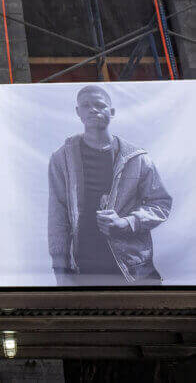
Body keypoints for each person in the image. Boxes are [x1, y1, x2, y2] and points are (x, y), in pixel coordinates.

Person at [47, 85, 171, 286]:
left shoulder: (137, 158)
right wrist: (59, 267)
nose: (93, 109)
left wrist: (127, 222)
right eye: (86, 105)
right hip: (83, 269)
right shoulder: (62, 158)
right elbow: (57, 214)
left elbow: (161, 204)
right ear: (78, 112)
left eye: (99, 105)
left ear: (111, 112)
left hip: (134, 268)